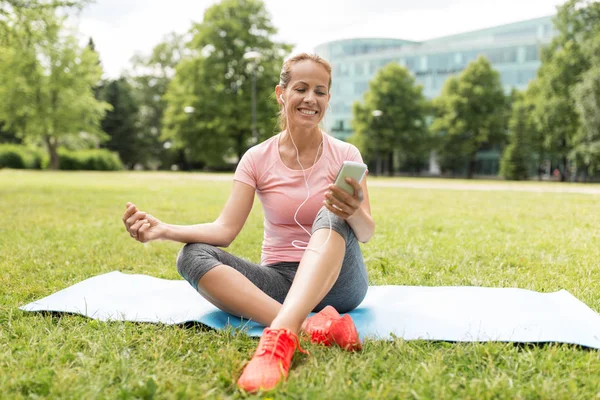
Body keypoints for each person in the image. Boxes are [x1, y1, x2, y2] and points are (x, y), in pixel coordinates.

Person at [122, 53, 375, 393]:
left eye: (320, 91)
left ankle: (281, 336)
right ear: (281, 93)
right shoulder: (256, 158)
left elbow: (367, 232)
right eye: (301, 88)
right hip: (281, 280)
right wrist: (164, 230)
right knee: (192, 256)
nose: (311, 99)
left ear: (328, 98)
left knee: (333, 210)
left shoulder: (346, 154)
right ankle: (313, 325)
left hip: (340, 282)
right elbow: (224, 231)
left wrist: (353, 209)